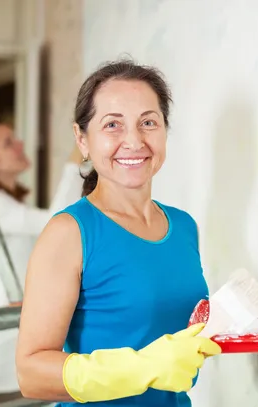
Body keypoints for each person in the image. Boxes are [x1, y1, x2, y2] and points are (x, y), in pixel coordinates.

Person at [15, 60, 222, 407]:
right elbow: (31, 374)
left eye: (148, 122)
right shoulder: (69, 233)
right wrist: (142, 368)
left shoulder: (184, 227)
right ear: (83, 139)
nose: (134, 140)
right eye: (113, 125)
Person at [0, 112, 84, 407]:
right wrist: (77, 159)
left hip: (9, 348)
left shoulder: (8, 205)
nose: (19, 144)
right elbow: (56, 222)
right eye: (8, 143)